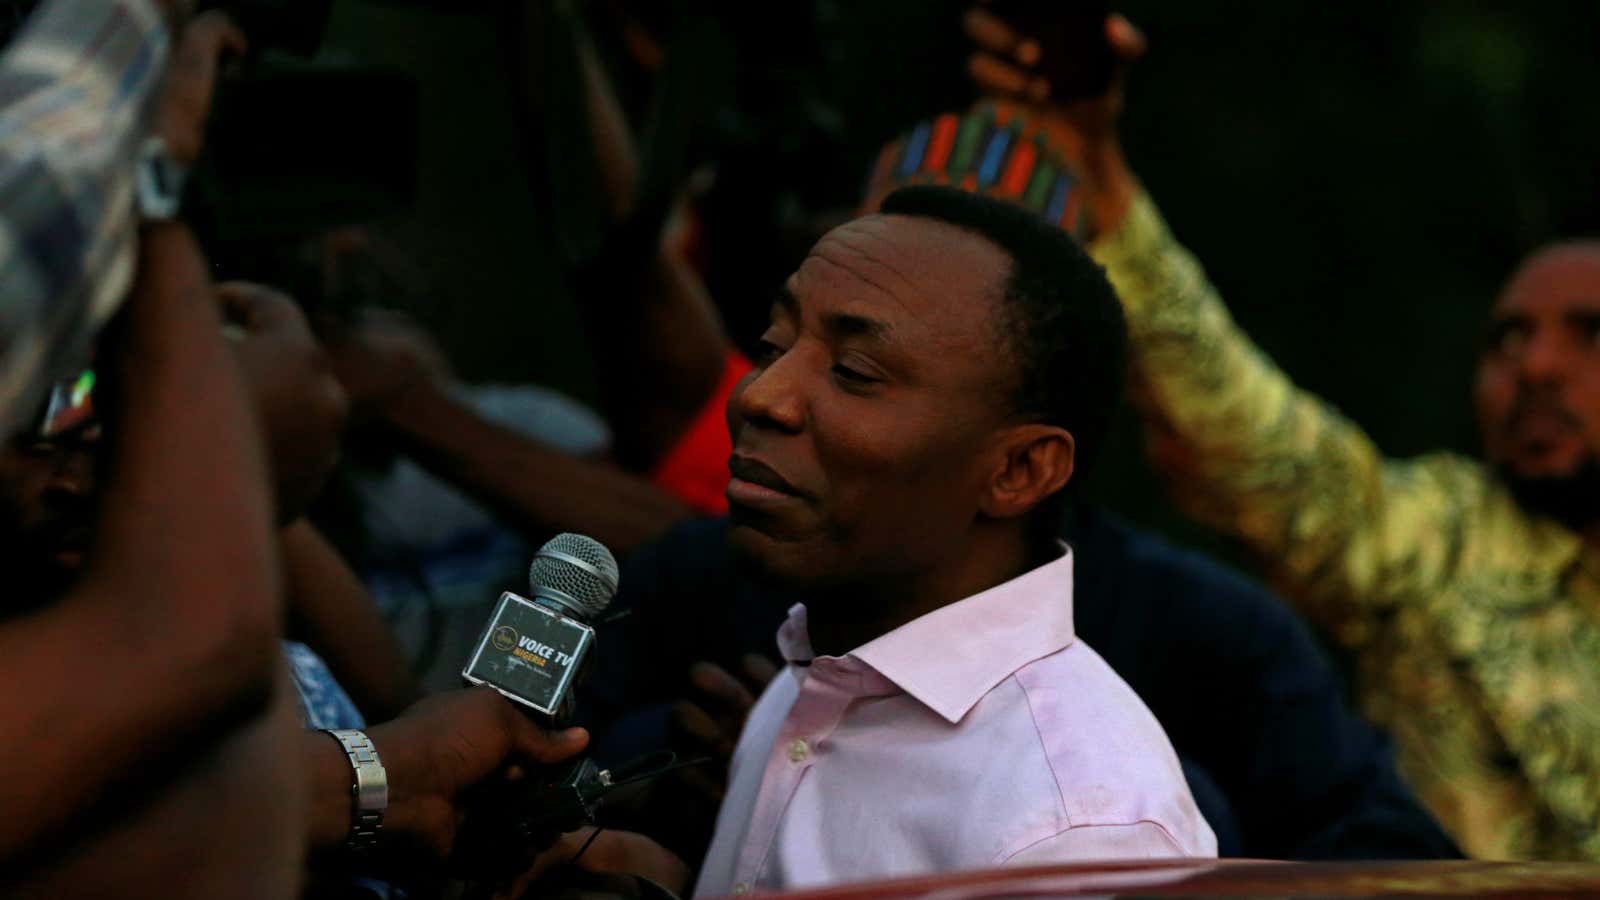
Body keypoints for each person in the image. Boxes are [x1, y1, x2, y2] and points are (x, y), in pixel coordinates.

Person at [963, 6, 1600, 860]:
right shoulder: (1440, 539)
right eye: (1507, 339)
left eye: (1588, 333)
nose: (1536, 368)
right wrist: (1101, 178)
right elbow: (1256, 448)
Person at [671, 184, 1213, 896]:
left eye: (853, 372)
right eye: (775, 344)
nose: (762, 394)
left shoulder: (1077, 832)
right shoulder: (817, 680)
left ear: (1019, 469)